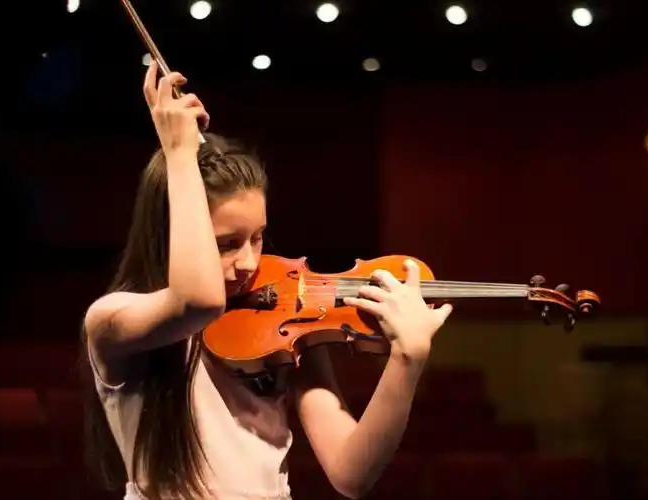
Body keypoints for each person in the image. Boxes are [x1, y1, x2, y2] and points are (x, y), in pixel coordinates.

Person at [81, 60, 454, 500]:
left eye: (257, 237)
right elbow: (197, 302)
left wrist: (407, 359)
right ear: (172, 233)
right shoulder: (112, 320)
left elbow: (352, 474)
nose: (248, 262)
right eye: (225, 244)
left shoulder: (281, 327)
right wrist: (179, 154)